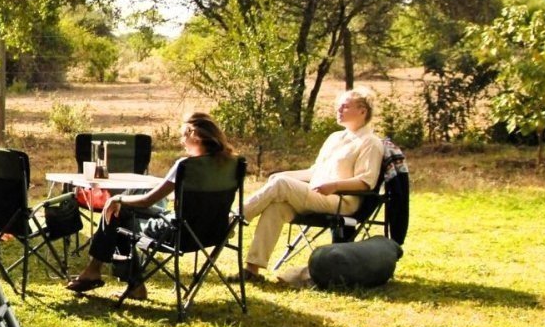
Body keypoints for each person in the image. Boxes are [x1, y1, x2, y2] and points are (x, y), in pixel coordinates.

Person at [64, 113, 239, 300]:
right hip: (215, 232)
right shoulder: (234, 163)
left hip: (178, 234)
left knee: (119, 212)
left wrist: (118, 200)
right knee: (122, 212)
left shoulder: (186, 166)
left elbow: (147, 201)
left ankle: (106, 275)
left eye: (184, 136)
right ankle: (110, 277)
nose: (182, 141)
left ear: (195, 136)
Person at [238, 86, 383, 282]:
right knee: (276, 206)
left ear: (362, 111)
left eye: (345, 107)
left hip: (340, 201)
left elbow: (366, 182)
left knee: (281, 183)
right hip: (314, 194)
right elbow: (314, 172)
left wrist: (335, 186)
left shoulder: (370, 142)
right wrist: (282, 174)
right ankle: (252, 271)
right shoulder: (335, 138)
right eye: (338, 107)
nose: (338, 110)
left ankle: (235, 219)